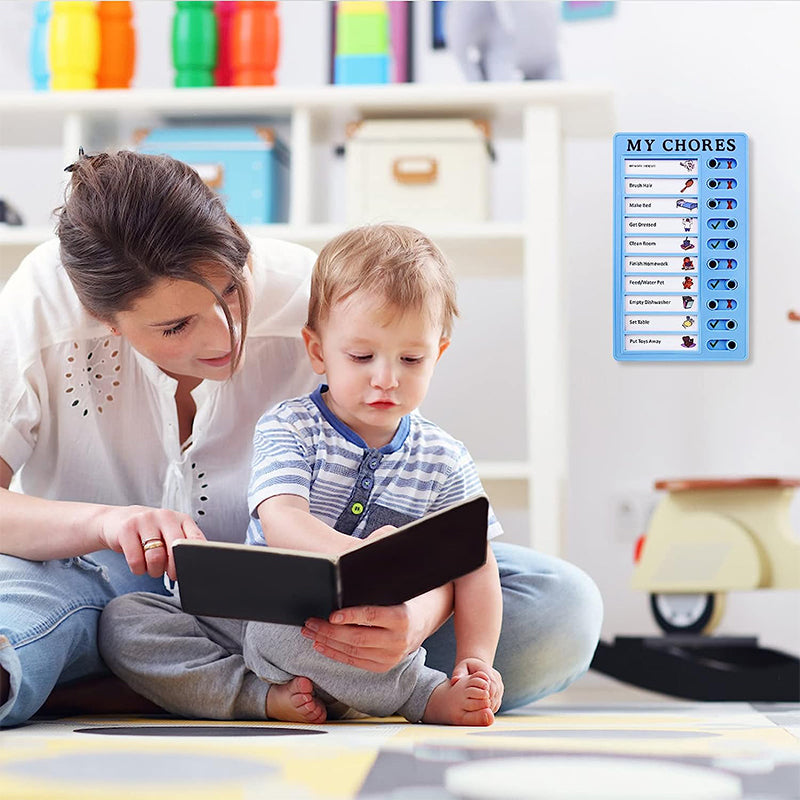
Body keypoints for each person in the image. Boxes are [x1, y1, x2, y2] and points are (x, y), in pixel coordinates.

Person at [0, 149, 603, 729]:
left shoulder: (320, 300)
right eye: (177, 325)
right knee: (49, 611)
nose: (223, 334)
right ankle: (225, 682)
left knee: (561, 607)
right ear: (104, 318)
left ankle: (141, 686)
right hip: (96, 580)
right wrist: (105, 524)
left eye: (230, 291)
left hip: (318, 598)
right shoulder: (39, 311)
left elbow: (443, 537)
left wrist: (414, 618)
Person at [101, 224, 505, 726]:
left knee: (288, 635)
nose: (386, 378)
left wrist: (476, 659)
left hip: (350, 632)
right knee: (126, 621)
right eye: (361, 357)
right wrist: (364, 558)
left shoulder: (445, 459)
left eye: (411, 358)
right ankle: (260, 697)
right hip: (256, 615)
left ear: (437, 354)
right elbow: (281, 520)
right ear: (317, 352)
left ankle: (417, 693)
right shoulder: (290, 426)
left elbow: (476, 563)